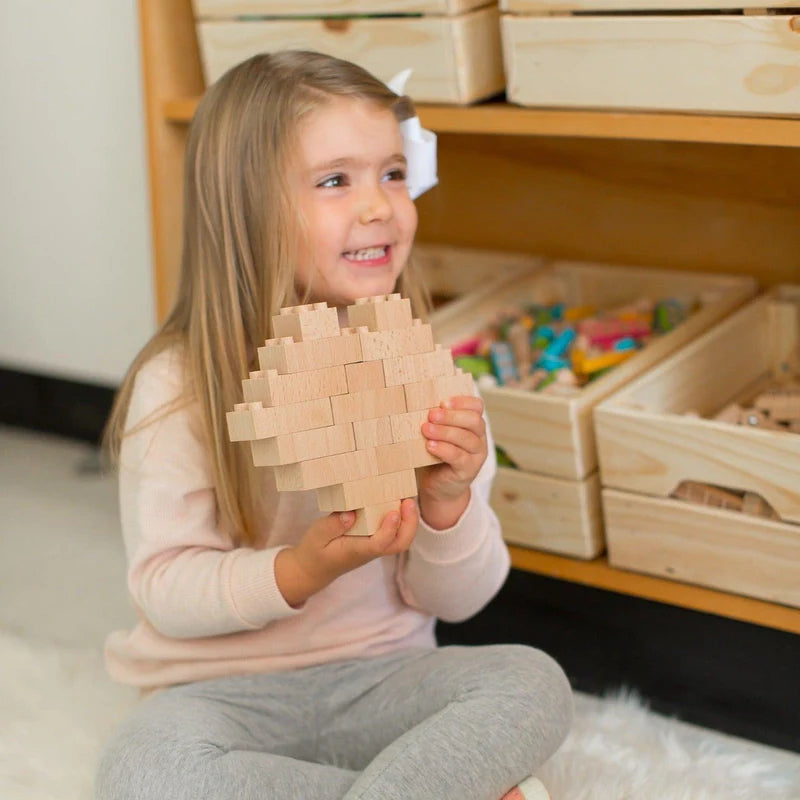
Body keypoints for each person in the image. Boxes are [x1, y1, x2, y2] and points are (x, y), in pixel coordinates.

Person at [95, 50, 572, 800]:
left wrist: (448, 508)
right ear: (246, 210)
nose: (381, 205)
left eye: (391, 173)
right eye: (334, 181)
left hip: (383, 677)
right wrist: (301, 571)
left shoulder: (425, 371)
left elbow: (460, 602)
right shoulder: (179, 385)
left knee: (531, 681)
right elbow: (164, 589)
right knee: (146, 770)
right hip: (224, 696)